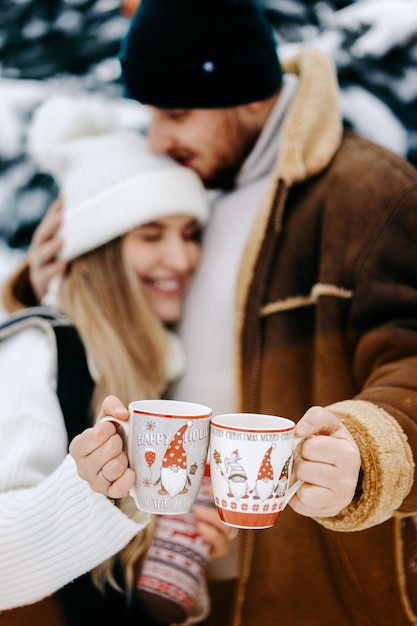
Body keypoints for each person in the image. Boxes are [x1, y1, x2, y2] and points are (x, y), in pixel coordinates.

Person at [5, 0, 417, 624]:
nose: (158, 139)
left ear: (247, 97)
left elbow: (407, 352)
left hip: (306, 582)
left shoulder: (366, 194)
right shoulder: (197, 180)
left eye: (175, 113)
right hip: (180, 570)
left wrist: (366, 451)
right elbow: (115, 312)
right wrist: (45, 286)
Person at [0, 94, 233, 625]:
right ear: (98, 255)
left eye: (190, 233)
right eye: (151, 236)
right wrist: (92, 493)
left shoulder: (154, 360)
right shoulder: (40, 351)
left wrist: (172, 549)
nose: (180, 258)